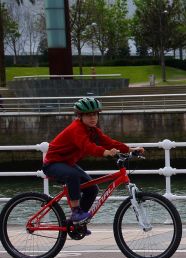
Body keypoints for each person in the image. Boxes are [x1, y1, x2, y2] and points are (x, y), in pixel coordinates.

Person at [42, 97, 144, 233]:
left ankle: (77, 224)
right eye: (89, 115)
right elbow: (87, 147)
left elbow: (109, 142)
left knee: (92, 189)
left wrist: (131, 150)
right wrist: (105, 152)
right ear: (80, 116)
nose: (93, 118)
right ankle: (77, 213)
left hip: (68, 163)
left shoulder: (92, 130)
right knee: (72, 176)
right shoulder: (76, 129)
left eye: (95, 114)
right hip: (53, 164)